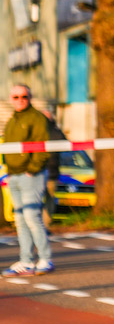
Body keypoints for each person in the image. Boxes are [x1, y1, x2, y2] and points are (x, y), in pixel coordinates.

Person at [3, 85, 58, 276]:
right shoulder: (13, 120)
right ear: (11, 98)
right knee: (19, 219)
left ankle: (45, 258)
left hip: (30, 175)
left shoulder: (36, 118)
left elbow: (43, 146)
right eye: (16, 97)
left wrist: (33, 169)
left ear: (30, 97)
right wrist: (9, 171)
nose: (20, 100)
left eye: (24, 96)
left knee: (32, 218)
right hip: (14, 175)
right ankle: (25, 261)